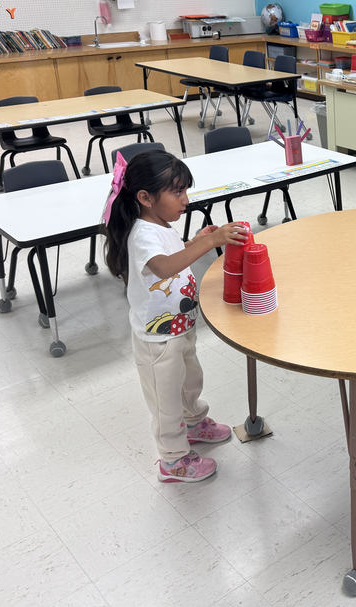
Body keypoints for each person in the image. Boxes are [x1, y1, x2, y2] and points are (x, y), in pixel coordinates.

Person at [104, 150, 248, 482]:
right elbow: (165, 266)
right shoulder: (141, 234)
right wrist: (210, 241)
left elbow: (172, 252)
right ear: (145, 198)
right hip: (158, 341)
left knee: (188, 381)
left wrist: (193, 241)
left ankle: (194, 422)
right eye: (177, 192)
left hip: (179, 328)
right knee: (166, 401)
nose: (186, 199)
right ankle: (173, 460)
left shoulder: (160, 223)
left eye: (185, 190)